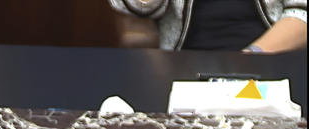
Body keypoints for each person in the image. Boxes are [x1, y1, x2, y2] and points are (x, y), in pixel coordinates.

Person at [109, 0, 307, 52]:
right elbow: (138, 7)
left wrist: (253, 56)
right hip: (183, 61)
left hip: (269, 56)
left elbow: (302, 11)